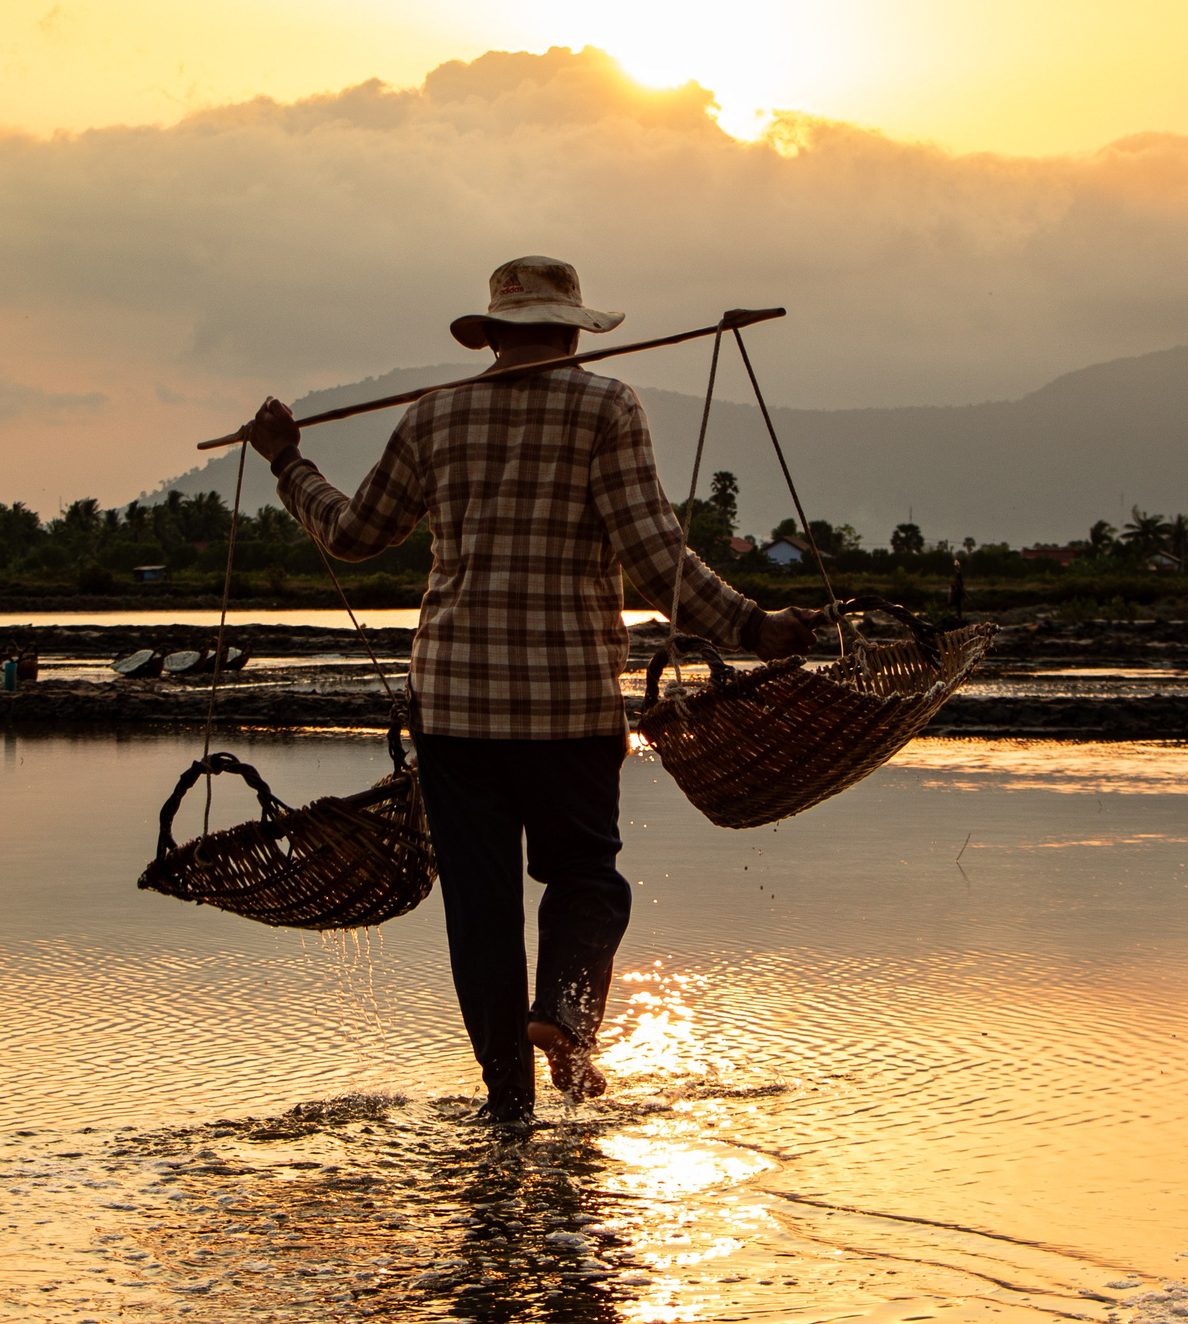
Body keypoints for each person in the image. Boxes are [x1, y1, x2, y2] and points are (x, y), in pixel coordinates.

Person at [242, 256, 822, 1123]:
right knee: (587, 876)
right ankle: (564, 1014)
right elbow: (653, 553)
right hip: (569, 701)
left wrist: (289, 462)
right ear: (574, 332)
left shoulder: (434, 415)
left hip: (456, 707)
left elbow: (356, 533)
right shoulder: (605, 406)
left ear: (495, 335)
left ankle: (507, 1100)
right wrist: (753, 627)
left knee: (481, 910)